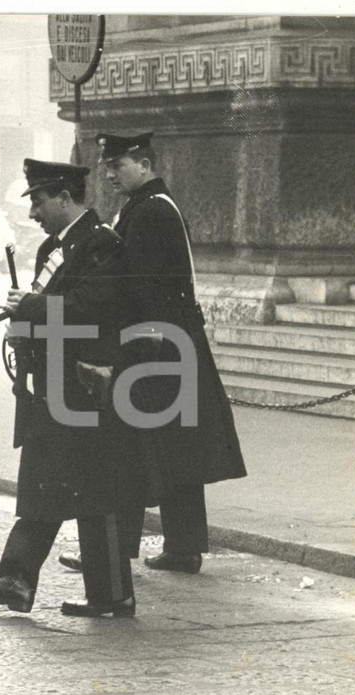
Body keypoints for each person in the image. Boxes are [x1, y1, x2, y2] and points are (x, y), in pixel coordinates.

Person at [0, 160, 144, 618]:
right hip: (50, 390)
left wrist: (34, 306)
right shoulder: (52, 249)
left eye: (39, 202)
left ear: (65, 197)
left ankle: (111, 594)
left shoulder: (102, 246)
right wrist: (24, 326)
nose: (34, 213)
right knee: (44, 484)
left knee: (94, 495)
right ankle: (18, 580)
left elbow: (90, 309)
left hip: (86, 389)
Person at [85, 131, 247, 575]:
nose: (110, 172)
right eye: (108, 165)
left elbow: (138, 286)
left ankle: (115, 550)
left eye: (117, 165)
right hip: (171, 342)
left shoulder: (151, 211)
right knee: (175, 449)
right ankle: (181, 546)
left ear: (143, 162)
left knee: (135, 446)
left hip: (156, 345)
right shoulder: (151, 206)